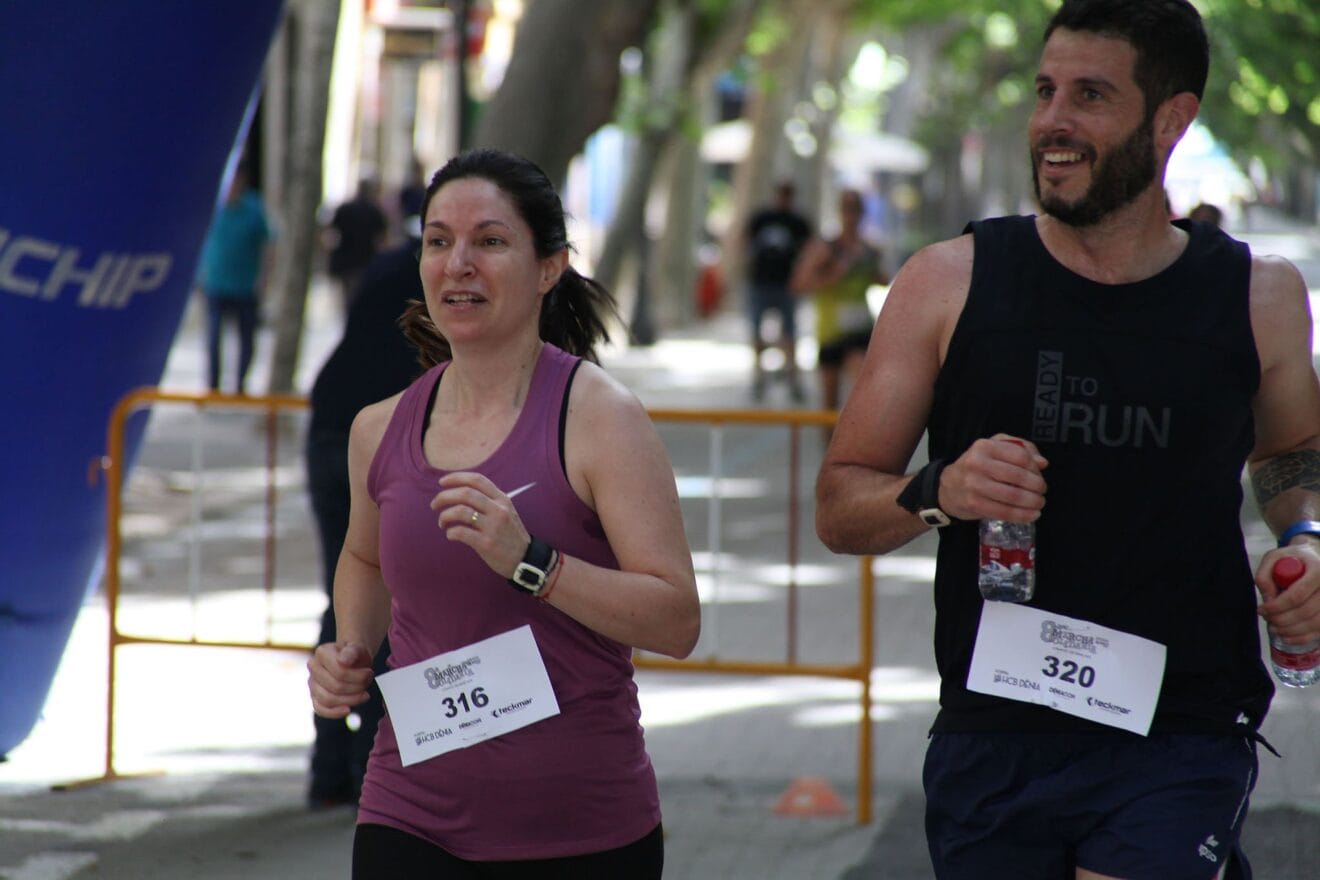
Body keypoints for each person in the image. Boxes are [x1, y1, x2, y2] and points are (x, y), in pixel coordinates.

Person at [814, 2, 1320, 878]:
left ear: (1171, 119)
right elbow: (839, 505)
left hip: (1182, 727)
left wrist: (1306, 538)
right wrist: (940, 489)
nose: (1053, 120)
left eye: (1090, 95)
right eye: (1045, 91)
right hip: (995, 730)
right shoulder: (947, 283)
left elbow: (1290, 455)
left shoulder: (1257, 295)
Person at [306, 148, 700, 878]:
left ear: (549, 267)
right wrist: (349, 650)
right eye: (438, 241)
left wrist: (532, 561)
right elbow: (363, 558)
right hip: (407, 813)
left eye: (489, 241)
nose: (459, 264)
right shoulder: (378, 428)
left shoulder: (600, 419)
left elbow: (676, 621)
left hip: (579, 829)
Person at [304, 228, 426, 808]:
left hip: (335, 423)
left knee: (348, 597)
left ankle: (332, 766)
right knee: (374, 594)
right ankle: (364, 764)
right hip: (369, 435)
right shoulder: (453, 280)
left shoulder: (393, 265)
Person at [790, 188, 887, 413]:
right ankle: (832, 437)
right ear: (840, 212)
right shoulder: (825, 248)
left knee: (861, 394)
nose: (851, 215)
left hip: (860, 329)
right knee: (829, 404)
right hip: (831, 331)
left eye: (856, 209)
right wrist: (833, 273)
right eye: (847, 209)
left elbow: (883, 280)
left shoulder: (868, 250)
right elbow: (798, 284)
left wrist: (872, 267)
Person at [198, 163, 273, 395]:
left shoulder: (254, 208)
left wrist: (265, 277)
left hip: (245, 286)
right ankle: (213, 386)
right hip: (215, 284)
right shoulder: (213, 203)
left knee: (246, 338)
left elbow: (268, 244)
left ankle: (240, 384)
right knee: (213, 337)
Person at [745, 180, 811, 402]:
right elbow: (746, 243)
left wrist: (800, 279)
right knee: (757, 332)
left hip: (786, 285)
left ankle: (792, 376)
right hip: (761, 283)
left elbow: (808, 253)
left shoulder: (798, 223)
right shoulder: (761, 218)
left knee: (789, 333)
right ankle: (759, 376)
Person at [325, 177, 389, 312]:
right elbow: (382, 238)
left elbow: (331, 233)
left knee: (349, 299)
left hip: (347, 261)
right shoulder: (374, 211)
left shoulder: (345, 209)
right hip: (366, 261)